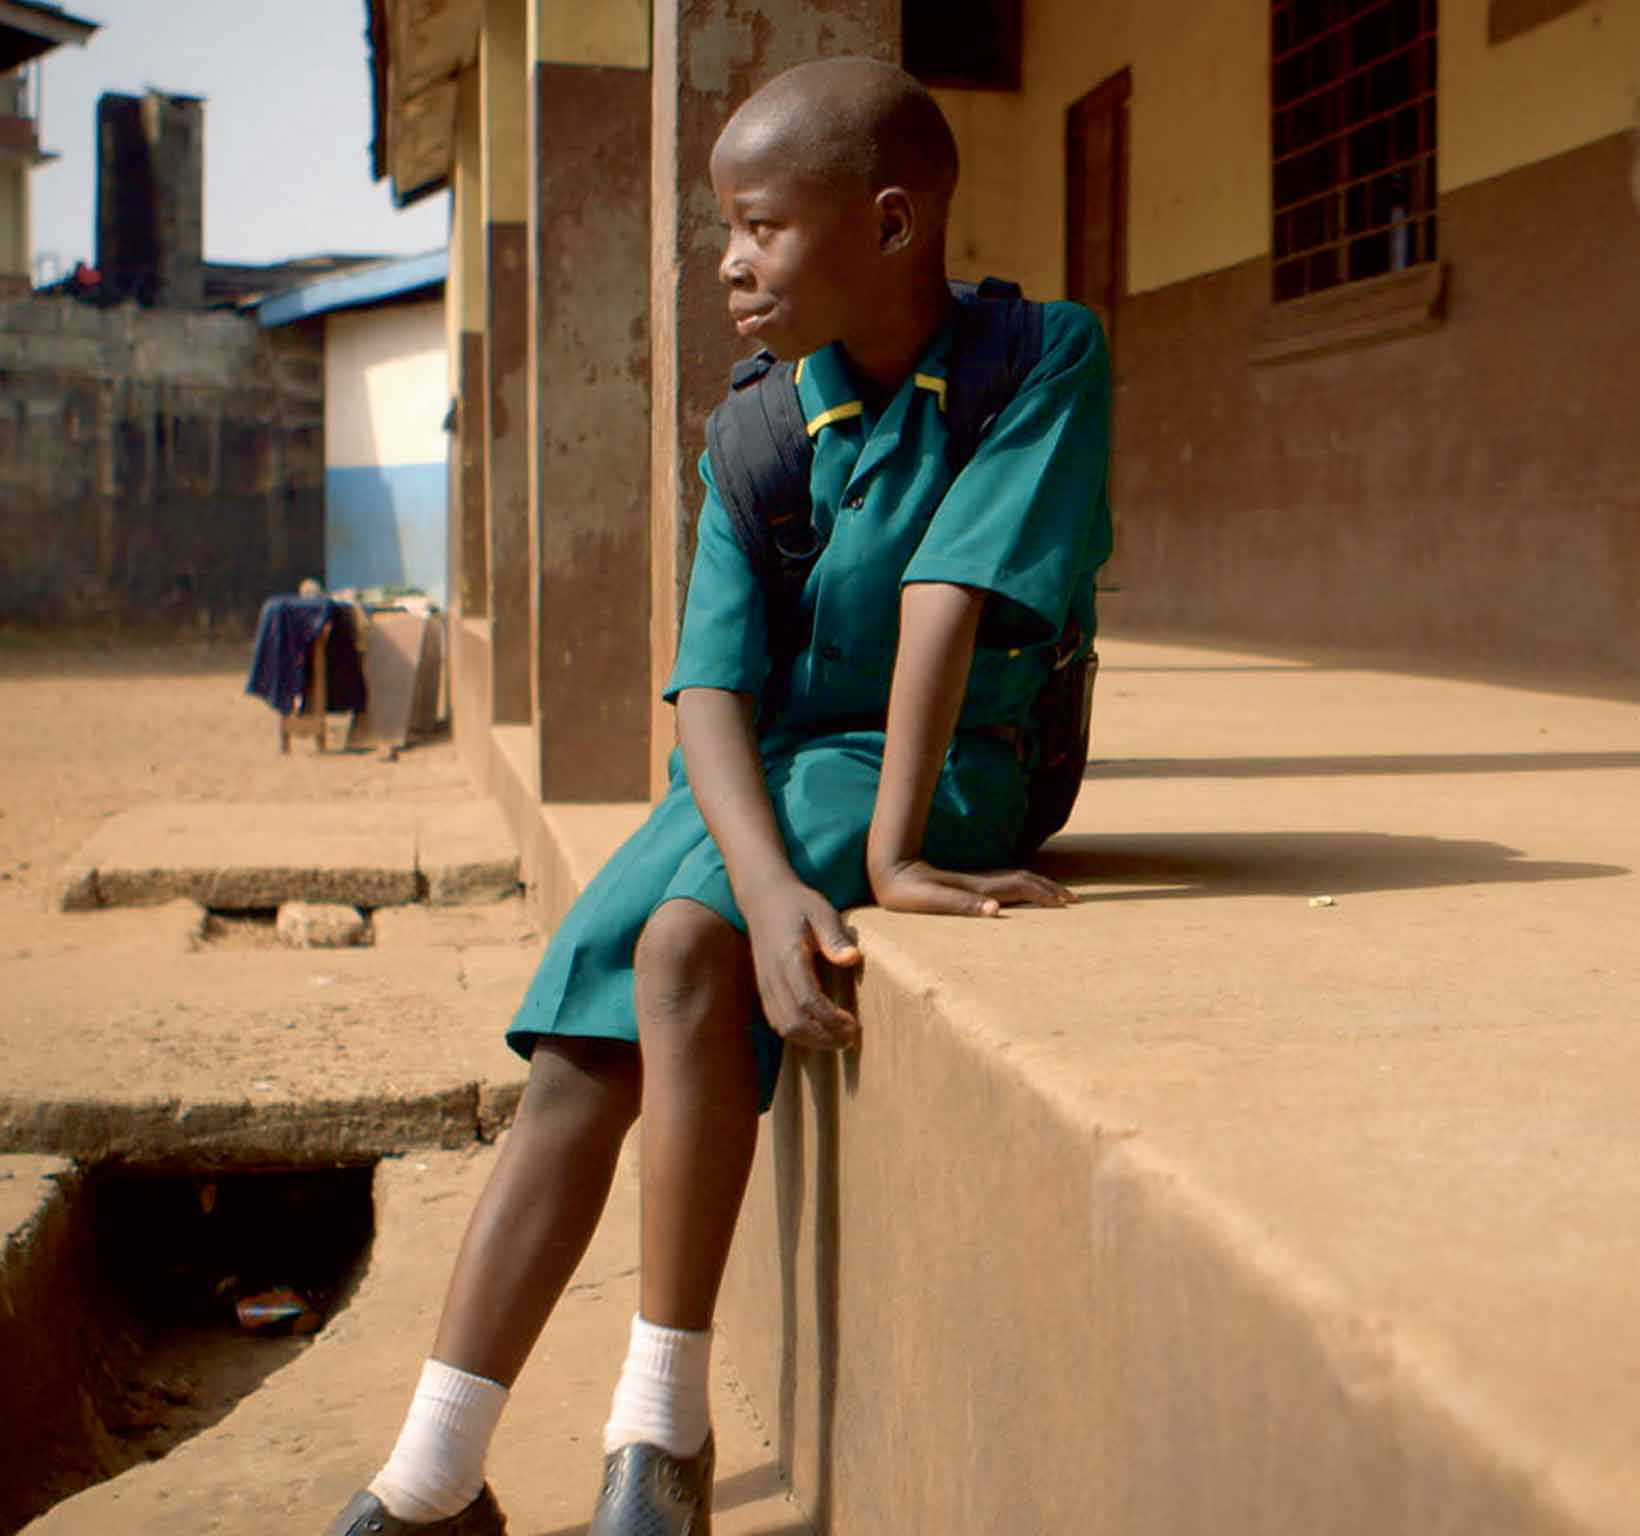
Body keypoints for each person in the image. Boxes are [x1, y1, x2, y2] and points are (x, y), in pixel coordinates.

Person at [324, 55, 1111, 1536]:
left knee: (683, 952)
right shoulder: (757, 427)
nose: (733, 264)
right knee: (583, 1039)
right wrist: (761, 881)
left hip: (946, 762)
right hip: (773, 768)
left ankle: (656, 1433)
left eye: (761, 226)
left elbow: (949, 594)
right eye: (723, 231)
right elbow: (710, 693)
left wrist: (888, 855)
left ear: (890, 224)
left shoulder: (1038, 359)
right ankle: (434, 1474)